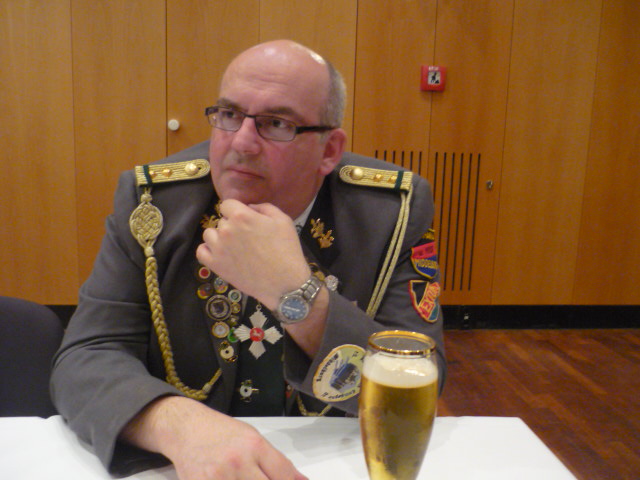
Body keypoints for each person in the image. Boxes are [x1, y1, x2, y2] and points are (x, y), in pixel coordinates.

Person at [50, 40, 446, 480]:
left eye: (276, 123)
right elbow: (87, 355)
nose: (241, 142)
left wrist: (298, 297)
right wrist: (178, 425)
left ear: (329, 151)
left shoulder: (391, 213)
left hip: (336, 462)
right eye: (229, 114)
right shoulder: (154, 205)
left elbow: (419, 374)